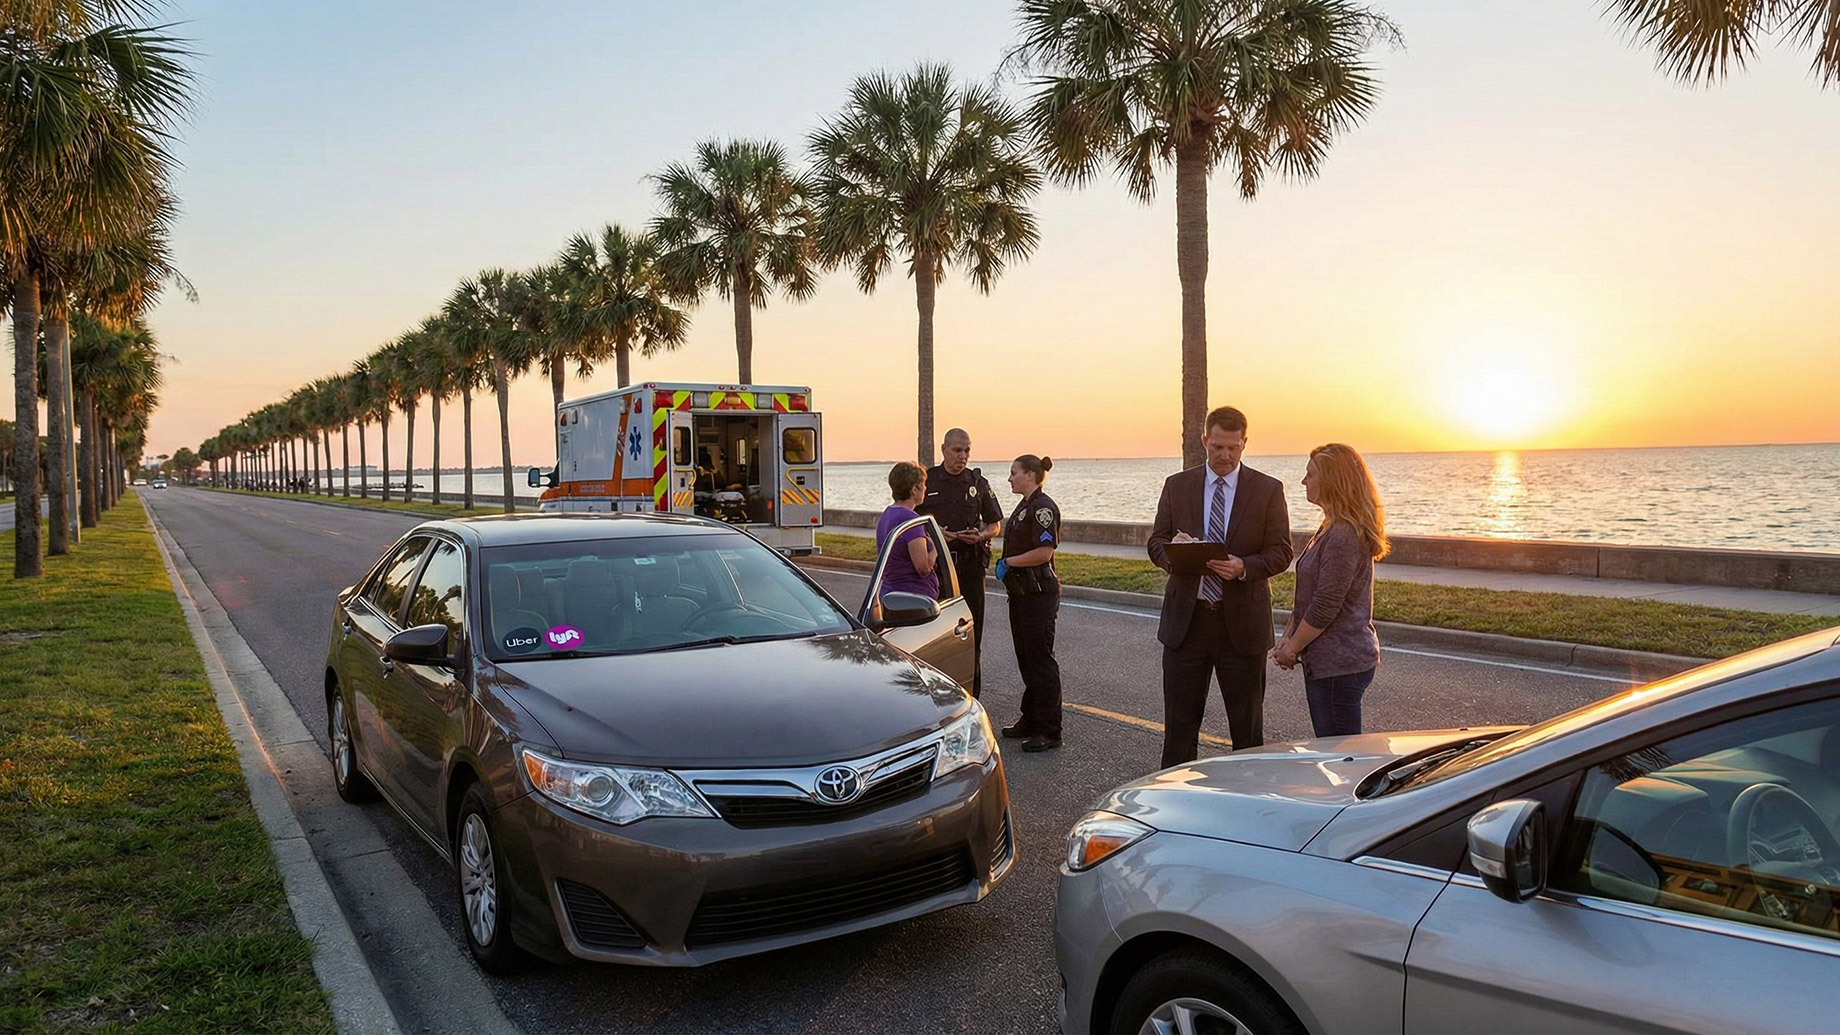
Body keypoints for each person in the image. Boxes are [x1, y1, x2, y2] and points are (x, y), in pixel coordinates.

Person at [1146, 406, 1294, 767]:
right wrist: (1173, 553)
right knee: (1179, 731)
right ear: (1204, 442)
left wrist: (1244, 566)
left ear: (1244, 443)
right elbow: (1155, 542)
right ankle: (1177, 805)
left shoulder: (1267, 490)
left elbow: (1282, 552)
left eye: (1233, 448)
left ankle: (1245, 807)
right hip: (1187, 624)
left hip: (1241, 629)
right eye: (1217, 448)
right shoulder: (1177, 486)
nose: (1225, 456)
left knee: (1247, 733)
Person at [1273, 444, 1388, 737]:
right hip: (1330, 663)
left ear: (1332, 481)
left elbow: (1325, 605)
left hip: (1340, 666)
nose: (1303, 482)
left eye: (1310, 475)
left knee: (1342, 759)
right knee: (1337, 753)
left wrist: (1293, 649)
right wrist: (1286, 640)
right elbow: (1307, 597)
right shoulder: (1329, 526)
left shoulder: (1343, 535)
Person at [917, 429, 1003, 697]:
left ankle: (970, 699)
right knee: (934, 636)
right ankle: (935, 695)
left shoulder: (978, 483)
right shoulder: (927, 481)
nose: (963, 456)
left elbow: (995, 524)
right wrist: (934, 533)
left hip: (970, 568)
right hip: (937, 569)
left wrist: (981, 535)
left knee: (970, 635)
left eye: (967, 450)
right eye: (957, 450)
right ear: (944, 449)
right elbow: (909, 521)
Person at [997, 454, 1063, 752]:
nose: (1010, 478)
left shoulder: (1042, 508)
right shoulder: (1025, 506)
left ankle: (1049, 731)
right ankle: (1031, 718)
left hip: (1038, 595)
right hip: (1021, 594)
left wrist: (1009, 561)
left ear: (1030, 475)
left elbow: (1044, 552)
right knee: (1026, 658)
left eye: (1014, 473)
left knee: (1040, 661)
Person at [874, 461, 939, 601]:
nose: (926, 488)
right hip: (913, 598)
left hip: (890, 593)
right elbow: (923, 568)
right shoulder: (910, 519)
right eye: (923, 484)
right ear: (914, 489)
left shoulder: (887, 514)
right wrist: (935, 548)